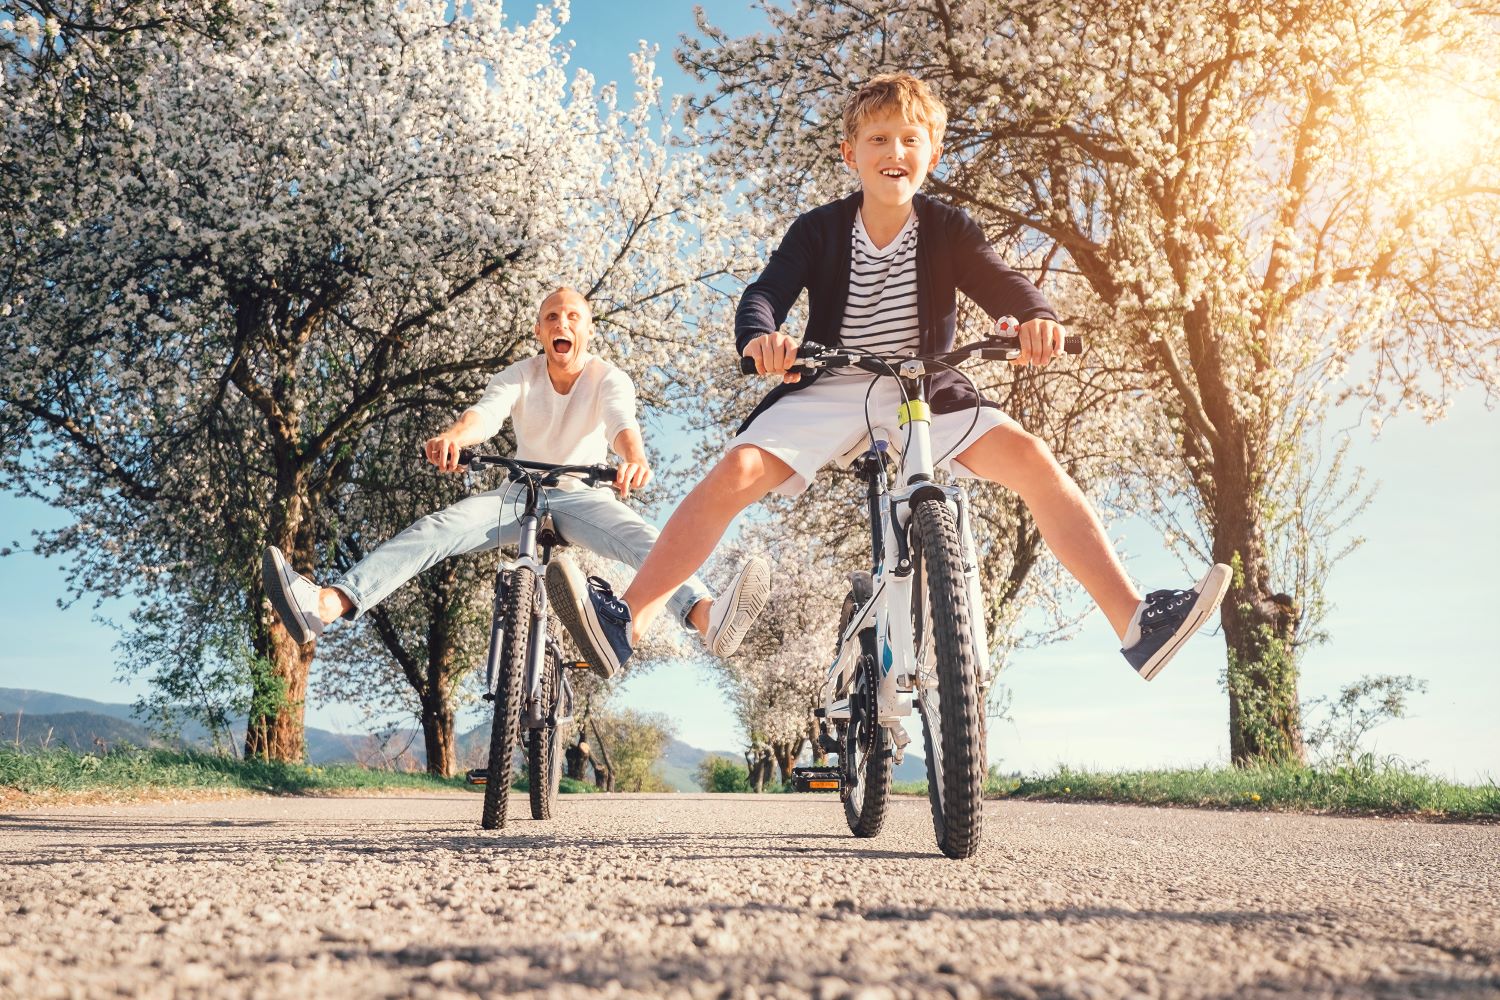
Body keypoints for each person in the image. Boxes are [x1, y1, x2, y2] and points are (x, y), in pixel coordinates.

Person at [553, 74, 1230, 681]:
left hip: (924, 394)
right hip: (830, 385)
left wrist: (1035, 317)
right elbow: (766, 293)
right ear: (852, 156)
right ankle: (629, 619)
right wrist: (763, 339)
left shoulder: (948, 228)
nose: (894, 152)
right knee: (733, 473)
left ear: (932, 155)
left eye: (911, 139)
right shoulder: (819, 230)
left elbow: (1003, 282)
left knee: (1031, 458)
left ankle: (1134, 622)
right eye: (878, 138)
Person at [261, 286, 771, 678]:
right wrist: (455, 437)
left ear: (587, 332)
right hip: (518, 494)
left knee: (649, 542)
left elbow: (622, 425)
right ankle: (327, 604)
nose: (561, 323)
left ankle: (706, 615)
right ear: (538, 331)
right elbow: (484, 415)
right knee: (437, 529)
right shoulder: (518, 374)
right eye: (552, 316)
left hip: (582, 496)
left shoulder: (608, 378)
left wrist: (633, 458)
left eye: (573, 317)